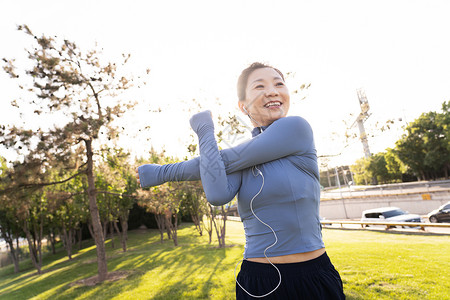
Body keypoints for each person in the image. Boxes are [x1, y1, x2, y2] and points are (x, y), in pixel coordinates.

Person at [136, 62, 345, 299]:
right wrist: (206, 134)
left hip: (312, 276)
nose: (272, 91)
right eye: (260, 86)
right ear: (242, 106)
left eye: (279, 84)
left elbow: (221, 160)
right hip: (258, 282)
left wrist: (162, 172)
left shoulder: (296, 128)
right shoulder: (244, 158)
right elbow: (217, 195)